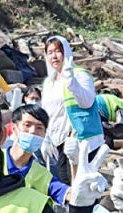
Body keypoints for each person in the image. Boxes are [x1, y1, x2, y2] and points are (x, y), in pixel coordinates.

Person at [39, 36, 102, 183]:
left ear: (66, 52)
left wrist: (71, 80)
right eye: (49, 52)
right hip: (58, 141)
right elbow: (47, 112)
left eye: (58, 51)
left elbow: (87, 102)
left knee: (82, 184)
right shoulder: (49, 82)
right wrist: (46, 136)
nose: (54, 56)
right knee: (65, 183)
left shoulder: (80, 75)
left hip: (81, 139)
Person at [4, 103, 70, 204]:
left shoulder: (41, 174)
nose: (33, 131)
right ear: (14, 129)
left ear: (44, 135)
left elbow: (64, 192)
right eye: (27, 125)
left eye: (39, 128)